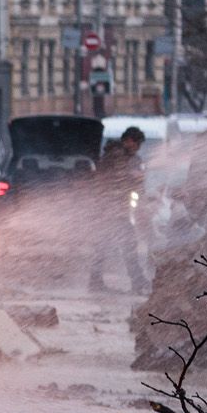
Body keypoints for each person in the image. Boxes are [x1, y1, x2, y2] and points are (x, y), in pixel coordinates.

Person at [90, 125, 150, 292]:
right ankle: (137, 281)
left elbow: (135, 184)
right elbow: (119, 180)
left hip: (113, 209)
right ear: (129, 140)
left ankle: (95, 281)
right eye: (137, 144)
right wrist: (135, 178)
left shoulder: (129, 157)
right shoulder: (116, 155)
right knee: (127, 243)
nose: (138, 148)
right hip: (110, 209)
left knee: (104, 245)